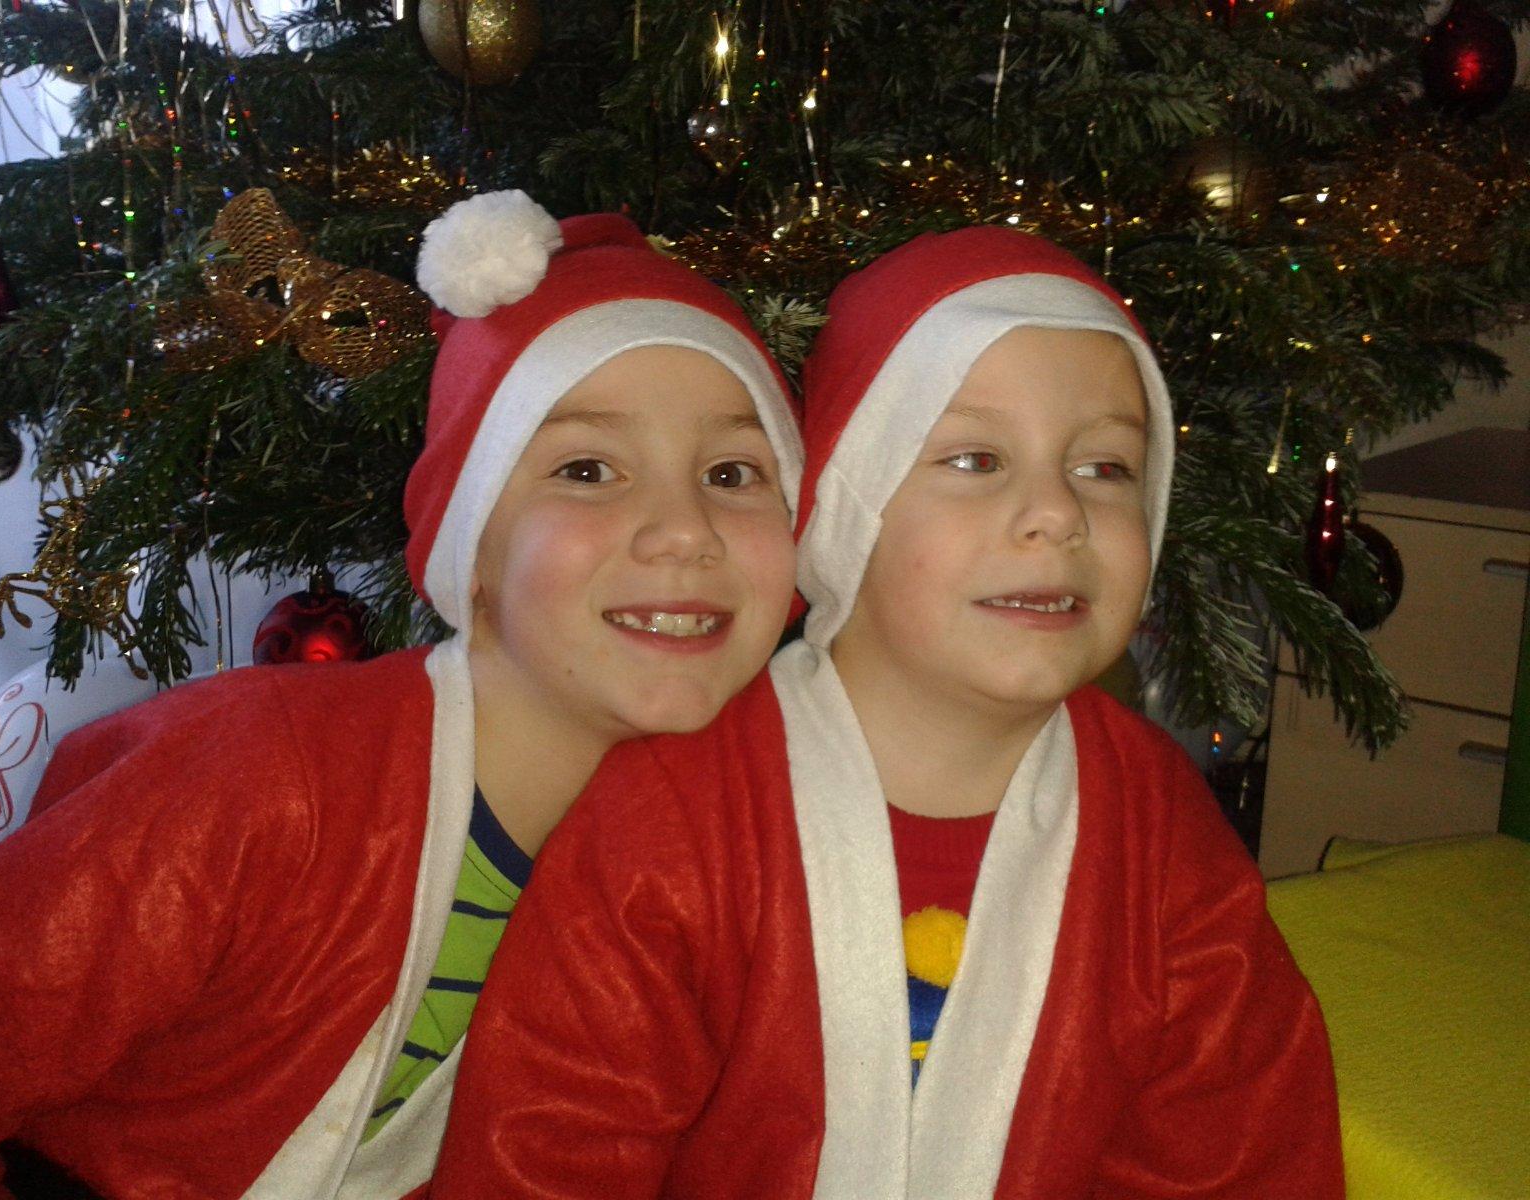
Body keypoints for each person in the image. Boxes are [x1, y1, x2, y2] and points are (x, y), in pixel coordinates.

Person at [433, 225, 1344, 1199]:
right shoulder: (678, 814)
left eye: (1106, 469)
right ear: (850, 507)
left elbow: (1238, 1150)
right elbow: (549, 1148)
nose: (1058, 513)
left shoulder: (1157, 829)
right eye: (976, 458)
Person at [0, 190, 803, 1200]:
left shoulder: (744, 848)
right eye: (587, 469)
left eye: (733, 473)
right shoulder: (258, 781)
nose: (684, 530)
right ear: (471, 546)